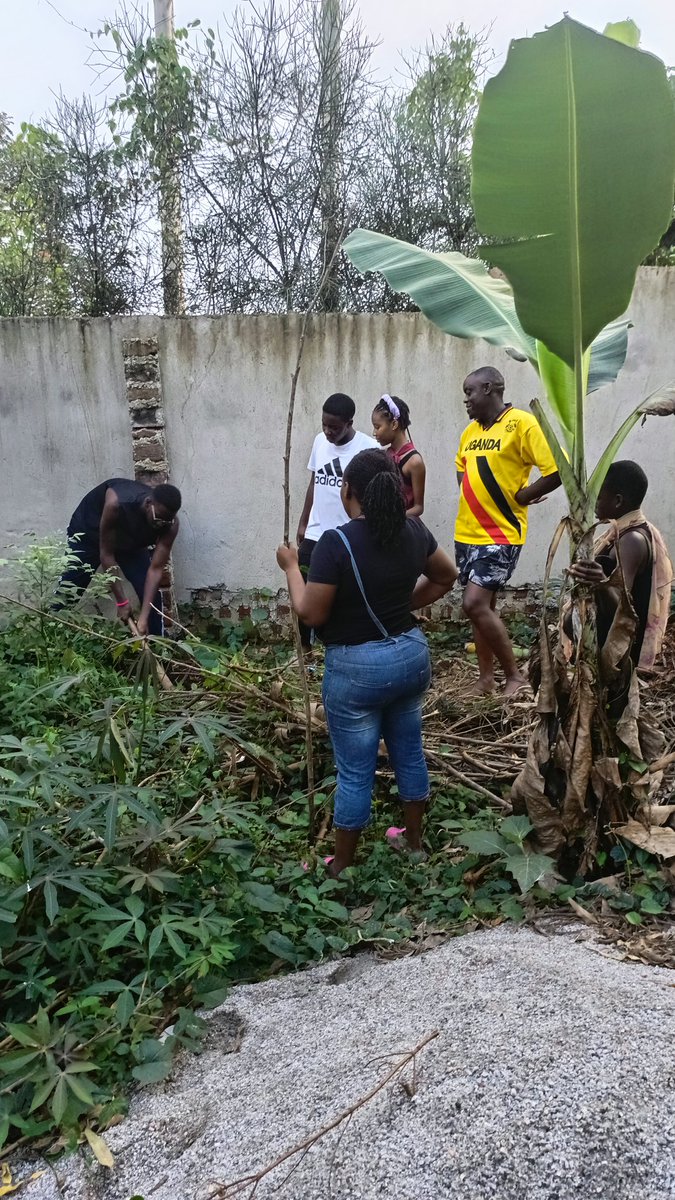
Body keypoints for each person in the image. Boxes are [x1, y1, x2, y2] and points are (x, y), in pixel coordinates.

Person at [277, 449, 457, 875]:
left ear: (348, 491)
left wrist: (290, 568)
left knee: (356, 771)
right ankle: (413, 844)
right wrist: (402, 607)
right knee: (409, 752)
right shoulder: (414, 530)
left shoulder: (335, 543)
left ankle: (340, 866)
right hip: (410, 656)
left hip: (357, 670)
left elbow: (311, 613)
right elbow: (446, 575)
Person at [455, 366, 561, 696]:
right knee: (482, 609)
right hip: (467, 533)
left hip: (500, 533)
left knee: (473, 604)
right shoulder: (470, 432)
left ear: (489, 388)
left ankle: (515, 677)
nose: (466, 400)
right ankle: (486, 679)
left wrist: (523, 496)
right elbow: (461, 467)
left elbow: (556, 469)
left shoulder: (522, 424)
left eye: (470, 392)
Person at [568, 460, 672, 671]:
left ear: (617, 501)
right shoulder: (620, 532)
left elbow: (623, 610)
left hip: (617, 658)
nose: (594, 502)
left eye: (599, 496)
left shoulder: (631, 541)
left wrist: (602, 583)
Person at [295, 393, 377, 649]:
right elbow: (314, 483)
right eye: (324, 425)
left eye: (334, 427)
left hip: (348, 535)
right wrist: (303, 521)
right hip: (316, 533)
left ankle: (338, 644)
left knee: (344, 593)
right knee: (305, 585)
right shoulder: (319, 442)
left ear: (349, 423)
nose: (328, 432)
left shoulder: (368, 448)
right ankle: (305, 649)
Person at [57, 478, 182, 636]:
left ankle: (158, 644)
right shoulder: (116, 503)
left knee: (150, 594)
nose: (161, 525)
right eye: (158, 520)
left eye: (166, 521)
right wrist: (122, 602)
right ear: (148, 503)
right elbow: (106, 555)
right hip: (89, 533)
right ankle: (51, 629)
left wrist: (143, 618)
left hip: (129, 541)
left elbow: (155, 570)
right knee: (69, 588)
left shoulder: (170, 525)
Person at [371, 393, 426, 516]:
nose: (374, 433)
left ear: (394, 425)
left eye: (377, 427)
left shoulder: (414, 462)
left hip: (404, 525)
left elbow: (418, 507)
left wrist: (393, 520)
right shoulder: (385, 455)